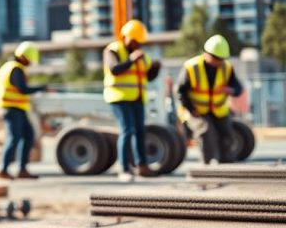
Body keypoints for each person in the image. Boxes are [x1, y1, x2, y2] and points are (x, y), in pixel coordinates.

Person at [103, 19, 161, 182]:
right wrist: (131, 60)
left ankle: (142, 166)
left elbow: (148, 77)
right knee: (126, 130)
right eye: (134, 41)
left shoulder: (142, 56)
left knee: (140, 132)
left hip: (137, 98)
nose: (137, 45)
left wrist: (155, 68)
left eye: (139, 42)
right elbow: (114, 69)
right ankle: (124, 168)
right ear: (126, 37)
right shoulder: (113, 50)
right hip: (119, 97)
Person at [176, 34, 243, 164]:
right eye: (216, 58)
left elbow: (237, 87)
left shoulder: (226, 67)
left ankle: (227, 166)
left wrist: (231, 90)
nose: (219, 62)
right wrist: (191, 109)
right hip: (196, 111)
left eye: (221, 59)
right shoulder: (191, 67)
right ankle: (206, 166)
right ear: (207, 54)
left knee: (227, 134)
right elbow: (180, 91)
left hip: (218, 111)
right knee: (205, 131)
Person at [0, 41, 46, 180]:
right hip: (11, 108)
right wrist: (41, 88)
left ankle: (22, 169)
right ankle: (3, 170)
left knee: (28, 136)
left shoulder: (8, 67)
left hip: (16, 109)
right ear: (24, 56)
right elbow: (22, 89)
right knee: (14, 138)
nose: (29, 63)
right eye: (29, 60)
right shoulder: (15, 68)